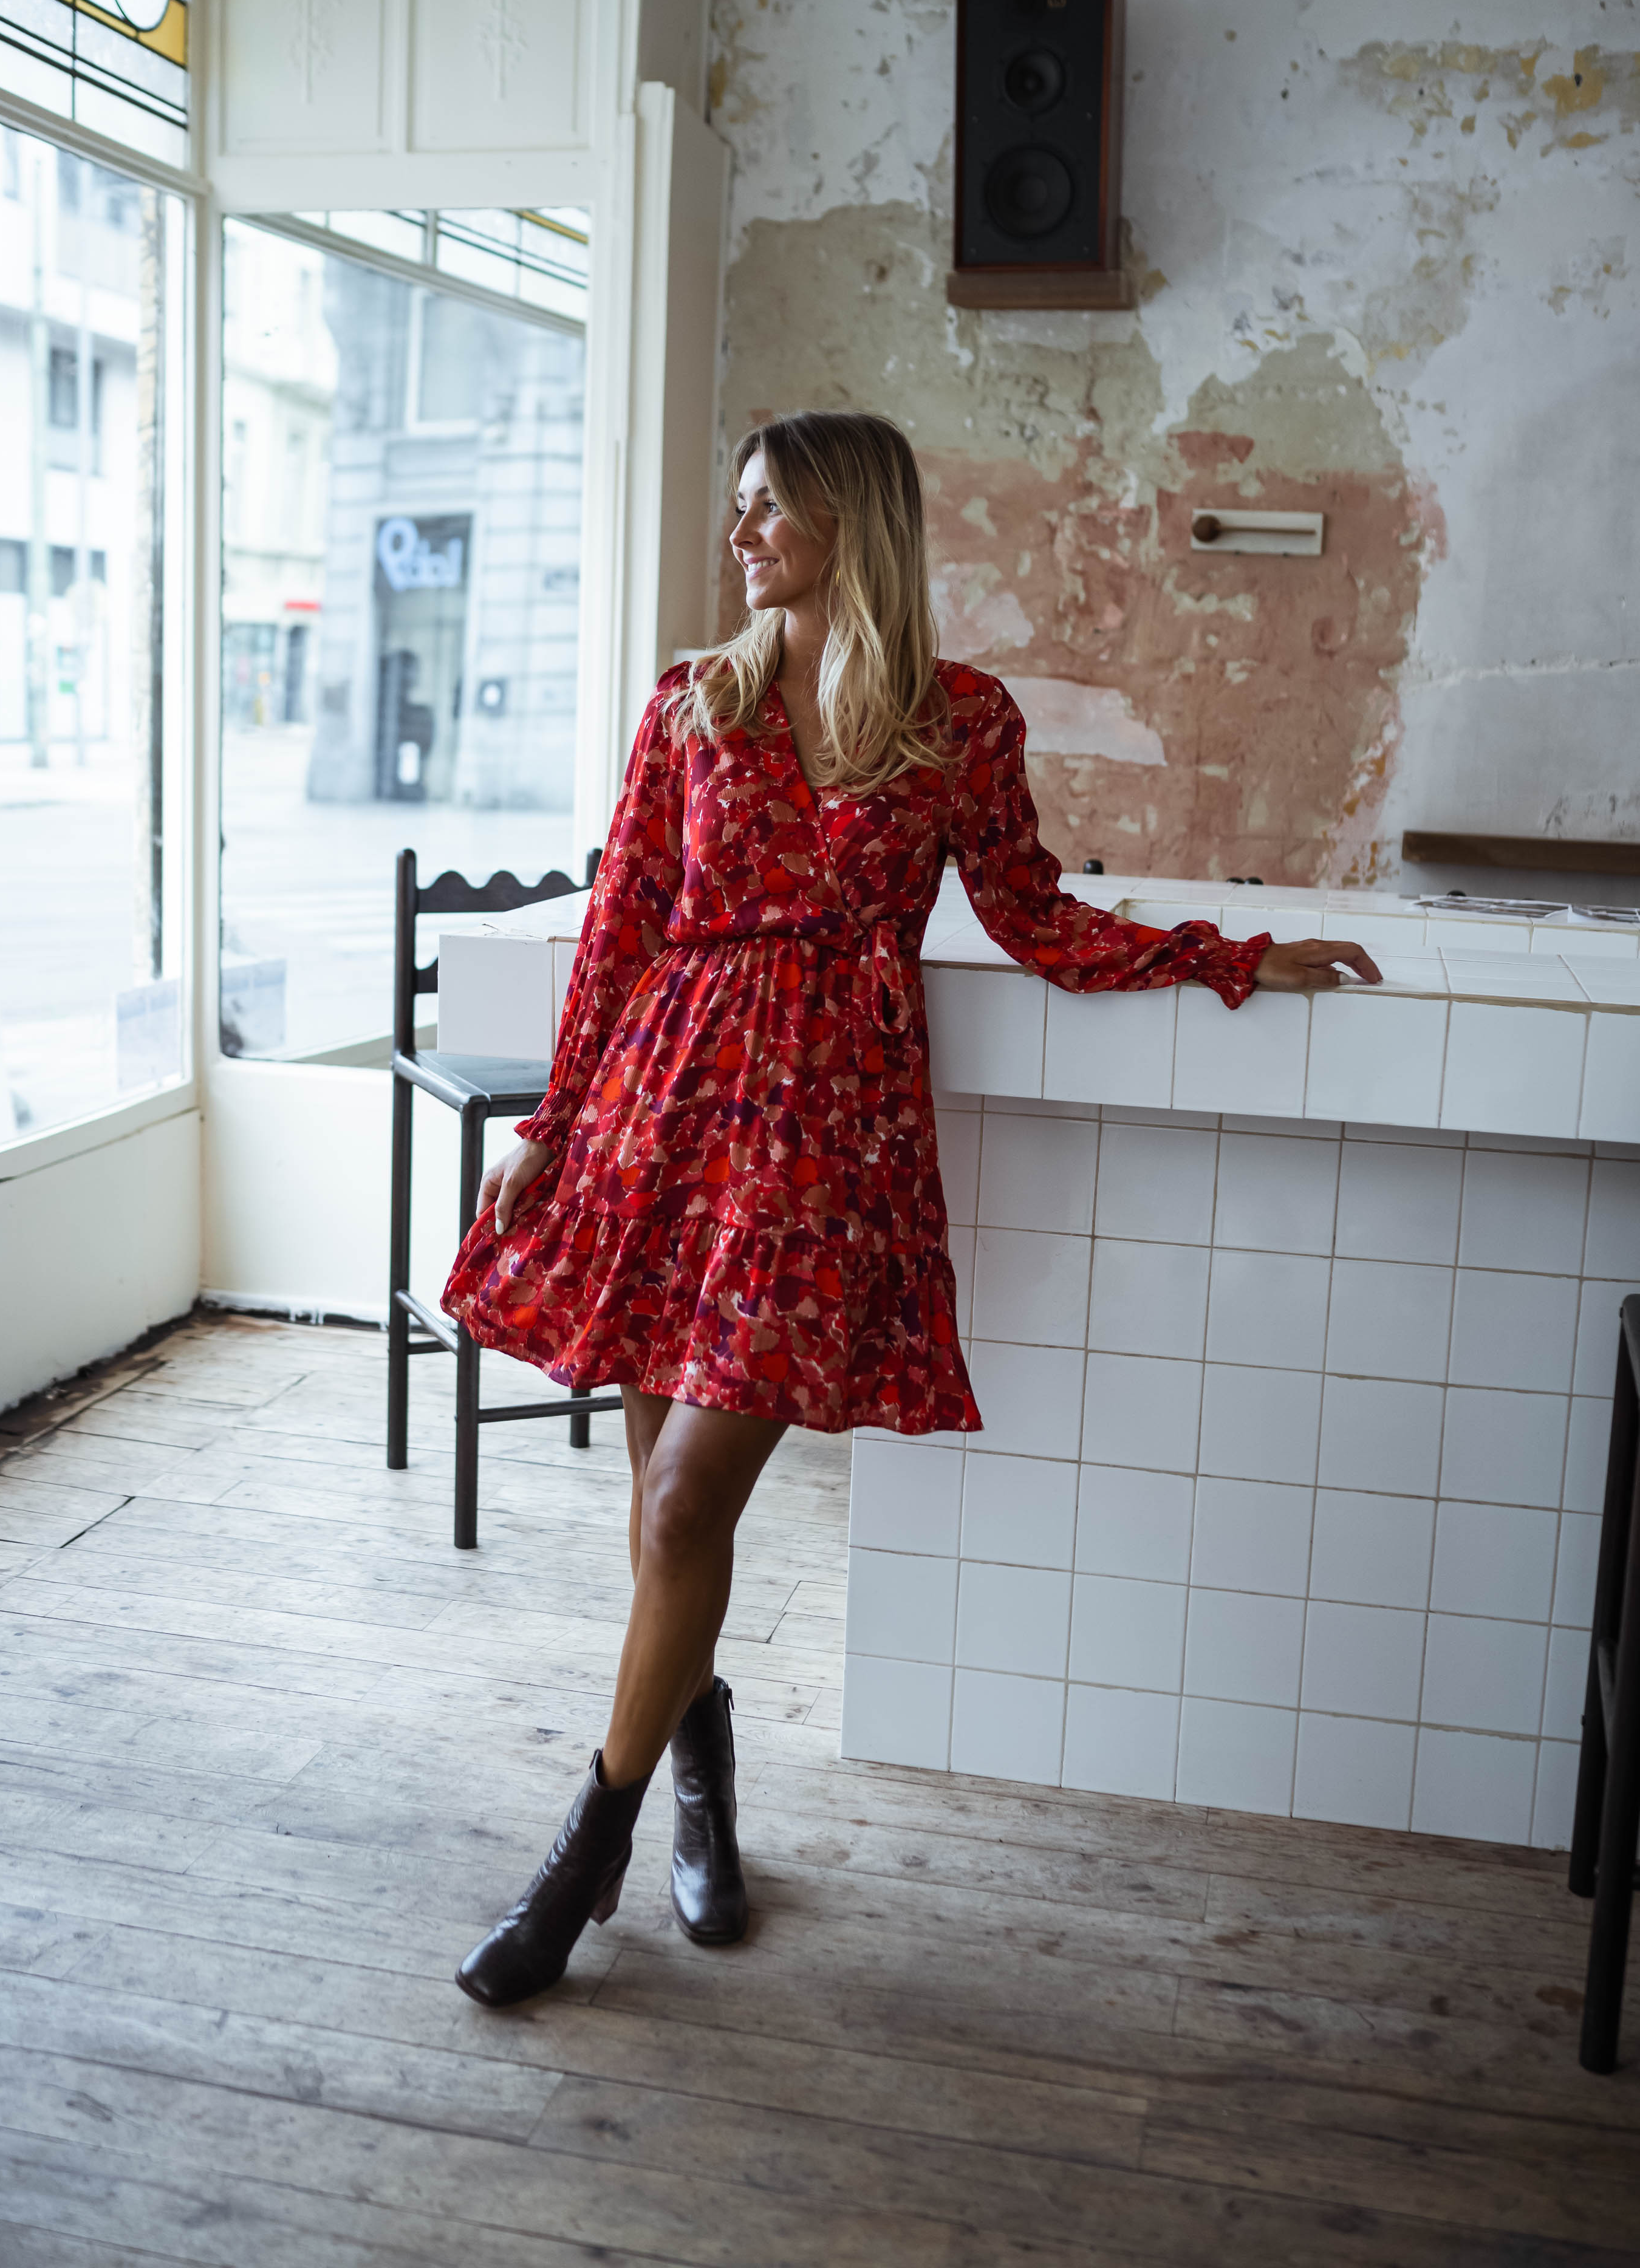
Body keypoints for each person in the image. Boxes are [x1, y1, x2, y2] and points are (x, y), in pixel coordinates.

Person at [441, 408, 1381, 2008]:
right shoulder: (692, 701)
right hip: (668, 1115)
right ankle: (697, 1773)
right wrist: (553, 1118)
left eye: (770, 508)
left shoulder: (959, 721)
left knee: (683, 1504)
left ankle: (585, 1845)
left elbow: (1033, 917)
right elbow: (624, 922)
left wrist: (1225, 956)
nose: (741, 533)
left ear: (852, 521)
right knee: (667, 1503)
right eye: (740, 508)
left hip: (825, 1146)